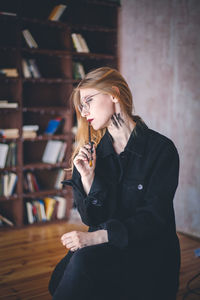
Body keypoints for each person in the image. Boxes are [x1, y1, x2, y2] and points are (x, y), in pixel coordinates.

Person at [48, 67, 180, 300]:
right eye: (82, 106)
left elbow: (155, 218)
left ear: (114, 94)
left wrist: (94, 238)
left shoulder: (161, 149)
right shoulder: (91, 156)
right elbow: (92, 219)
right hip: (110, 249)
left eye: (89, 100)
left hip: (150, 253)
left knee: (81, 265)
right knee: (58, 279)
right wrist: (89, 179)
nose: (85, 111)